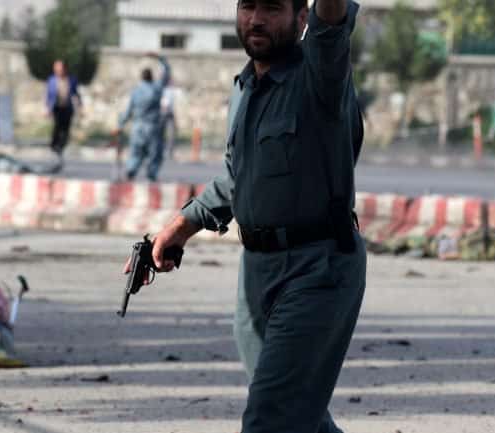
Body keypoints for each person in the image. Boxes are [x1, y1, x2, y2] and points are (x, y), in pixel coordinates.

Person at [146, 1, 365, 431]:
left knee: (271, 417)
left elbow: (332, 22)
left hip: (317, 270)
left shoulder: (321, 74)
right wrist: (180, 227)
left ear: (301, 19)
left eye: (272, 8)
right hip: (257, 274)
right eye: (248, 6)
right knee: (298, 415)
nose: (257, 19)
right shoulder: (246, 87)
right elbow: (238, 176)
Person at [114, 53, 171, 182]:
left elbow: (129, 111)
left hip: (138, 127)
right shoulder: (156, 89)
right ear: (152, 77)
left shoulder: (136, 91)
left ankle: (131, 171)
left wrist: (120, 124)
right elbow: (166, 74)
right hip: (152, 127)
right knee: (154, 152)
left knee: (136, 151)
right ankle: (152, 174)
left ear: (141, 77)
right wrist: (160, 58)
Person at [46, 60, 81, 166]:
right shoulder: (52, 80)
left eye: (60, 69)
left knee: (66, 128)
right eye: (56, 69)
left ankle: (61, 147)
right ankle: (54, 146)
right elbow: (49, 95)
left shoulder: (71, 79)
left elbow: (76, 93)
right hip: (56, 107)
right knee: (57, 126)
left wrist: (80, 106)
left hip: (67, 107)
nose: (58, 71)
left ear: (64, 69)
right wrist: (47, 108)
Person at [160, 81, 178, 161]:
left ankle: (170, 152)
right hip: (163, 113)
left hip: (169, 113)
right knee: (161, 134)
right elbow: (164, 103)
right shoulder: (162, 89)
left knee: (171, 133)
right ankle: (162, 151)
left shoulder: (171, 91)